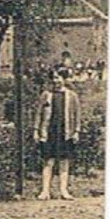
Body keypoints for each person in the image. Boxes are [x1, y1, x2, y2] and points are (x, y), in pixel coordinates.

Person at [33, 66, 83, 200]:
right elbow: (38, 113)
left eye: (58, 78)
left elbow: (77, 115)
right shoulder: (46, 95)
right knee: (48, 162)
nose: (55, 81)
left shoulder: (72, 96)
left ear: (64, 79)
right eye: (53, 78)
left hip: (65, 132)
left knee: (64, 162)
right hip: (49, 132)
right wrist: (36, 131)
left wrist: (76, 131)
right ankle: (45, 191)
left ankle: (64, 191)